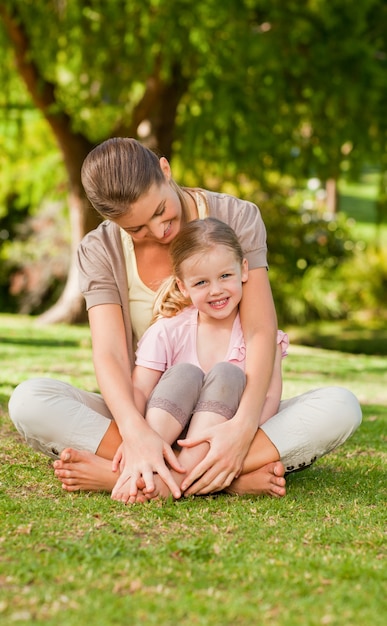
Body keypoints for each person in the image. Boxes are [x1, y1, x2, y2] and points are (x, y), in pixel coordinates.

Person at [8, 137, 362, 504]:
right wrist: (135, 433)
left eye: (161, 210)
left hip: (233, 411)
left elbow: (260, 331)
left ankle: (139, 477)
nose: (159, 231)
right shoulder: (99, 250)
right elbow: (111, 355)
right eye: (137, 228)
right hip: (151, 412)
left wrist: (242, 428)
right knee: (30, 401)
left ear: (166, 170)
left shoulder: (238, 217)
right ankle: (217, 475)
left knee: (340, 407)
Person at [131, 217, 289, 500]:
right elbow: (140, 390)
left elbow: (268, 401)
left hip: (227, 443)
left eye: (225, 276)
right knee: (185, 374)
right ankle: (210, 480)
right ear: (182, 287)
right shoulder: (168, 331)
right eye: (201, 282)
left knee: (229, 375)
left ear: (243, 270)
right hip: (164, 439)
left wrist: (240, 440)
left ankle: (173, 479)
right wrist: (134, 439)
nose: (216, 290)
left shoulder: (264, 339)